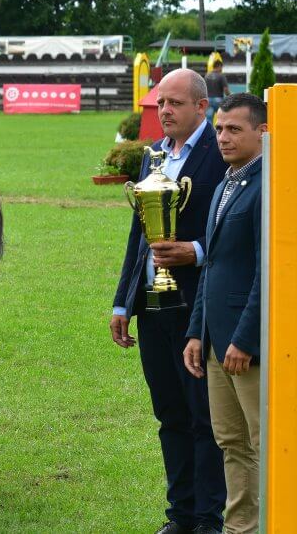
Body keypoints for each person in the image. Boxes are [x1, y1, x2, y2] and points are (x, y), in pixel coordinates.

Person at [111, 68, 228, 534]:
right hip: (152, 305)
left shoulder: (221, 154)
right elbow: (138, 234)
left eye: (175, 103)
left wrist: (195, 251)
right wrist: (123, 301)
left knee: (204, 417)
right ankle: (179, 516)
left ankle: (207, 520)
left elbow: (238, 231)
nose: (164, 112)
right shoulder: (153, 156)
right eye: (161, 103)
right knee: (169, 416)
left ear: (202, 107)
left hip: (199, 307)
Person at [183, 93, 267, 534]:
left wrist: (247, 339)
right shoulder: (223, 184)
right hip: (215, 340)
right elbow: (211, 264)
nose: (223, 137)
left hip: (246, 346)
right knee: (231, 442)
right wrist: (197, 331)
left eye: (235, 129)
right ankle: (240, 529)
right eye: (219, 128)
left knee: (263, 442)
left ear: (262, 132)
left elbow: (267, 273)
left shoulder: (271, 187)